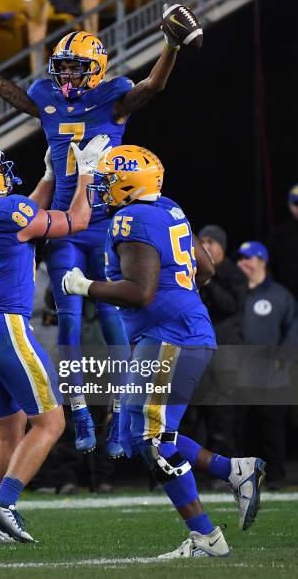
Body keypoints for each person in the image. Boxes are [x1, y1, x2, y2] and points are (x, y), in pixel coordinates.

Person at [0, 1, 199, 455]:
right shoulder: (46, 96)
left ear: (96, 69)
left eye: (75, 69)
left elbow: (154, 84)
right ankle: (81, 410)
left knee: (114, 319)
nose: (65, 78)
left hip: (109, 222)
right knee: (67, 318)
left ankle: (121, 417)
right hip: (66, 223)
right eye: (61, 69)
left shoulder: (114, 97)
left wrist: (170, 46)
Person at [62, 145, 266, 557]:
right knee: (136, 436)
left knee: (153, 440)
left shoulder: (132, 218)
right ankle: (235, 470)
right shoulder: (169, 207)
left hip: (170, 337)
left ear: (129, 184)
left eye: (107, 180)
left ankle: (206, 537)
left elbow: (140, 291)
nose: (102, 187)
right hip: (167, 332)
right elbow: (205, 269)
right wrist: (180, 299)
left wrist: (83, 286)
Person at [0, 135, 109, 543]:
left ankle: (1, 526)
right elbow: (76, 221)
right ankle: (4, 502)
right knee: (51, 422)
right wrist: (86, 173)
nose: (5, 176)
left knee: (8, 432)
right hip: (7, 327)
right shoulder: (10, 211)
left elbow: (23, 214)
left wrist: (50, 176)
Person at [236, 241, 298, 489]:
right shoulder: (236, 294)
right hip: (240, 373)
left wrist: (285, 356)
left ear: (262, 260)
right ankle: (242, 478)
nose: (242, 264)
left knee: (272, 428)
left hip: (273, 374)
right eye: (240, 259)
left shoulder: (280, 295)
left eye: (247, 258)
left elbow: (293, 328)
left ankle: (276, 477)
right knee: (240, 429)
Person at [194, 225, 248, 460]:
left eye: (210, 242)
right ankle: (196, 467)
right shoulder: (191, 273)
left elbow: (230, 306)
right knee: (196, 412)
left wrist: (207, 280)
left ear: (222, 247)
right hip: (198, 349)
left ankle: (223, 467)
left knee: (223, 413)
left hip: (225, 351)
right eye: (201, 241)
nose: (205, 246)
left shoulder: (234, 275)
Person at [268, 184, 298, 301]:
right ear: (289, 205)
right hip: (288, 297)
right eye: (296, 203)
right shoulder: (278, 234)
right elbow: (269, 266)